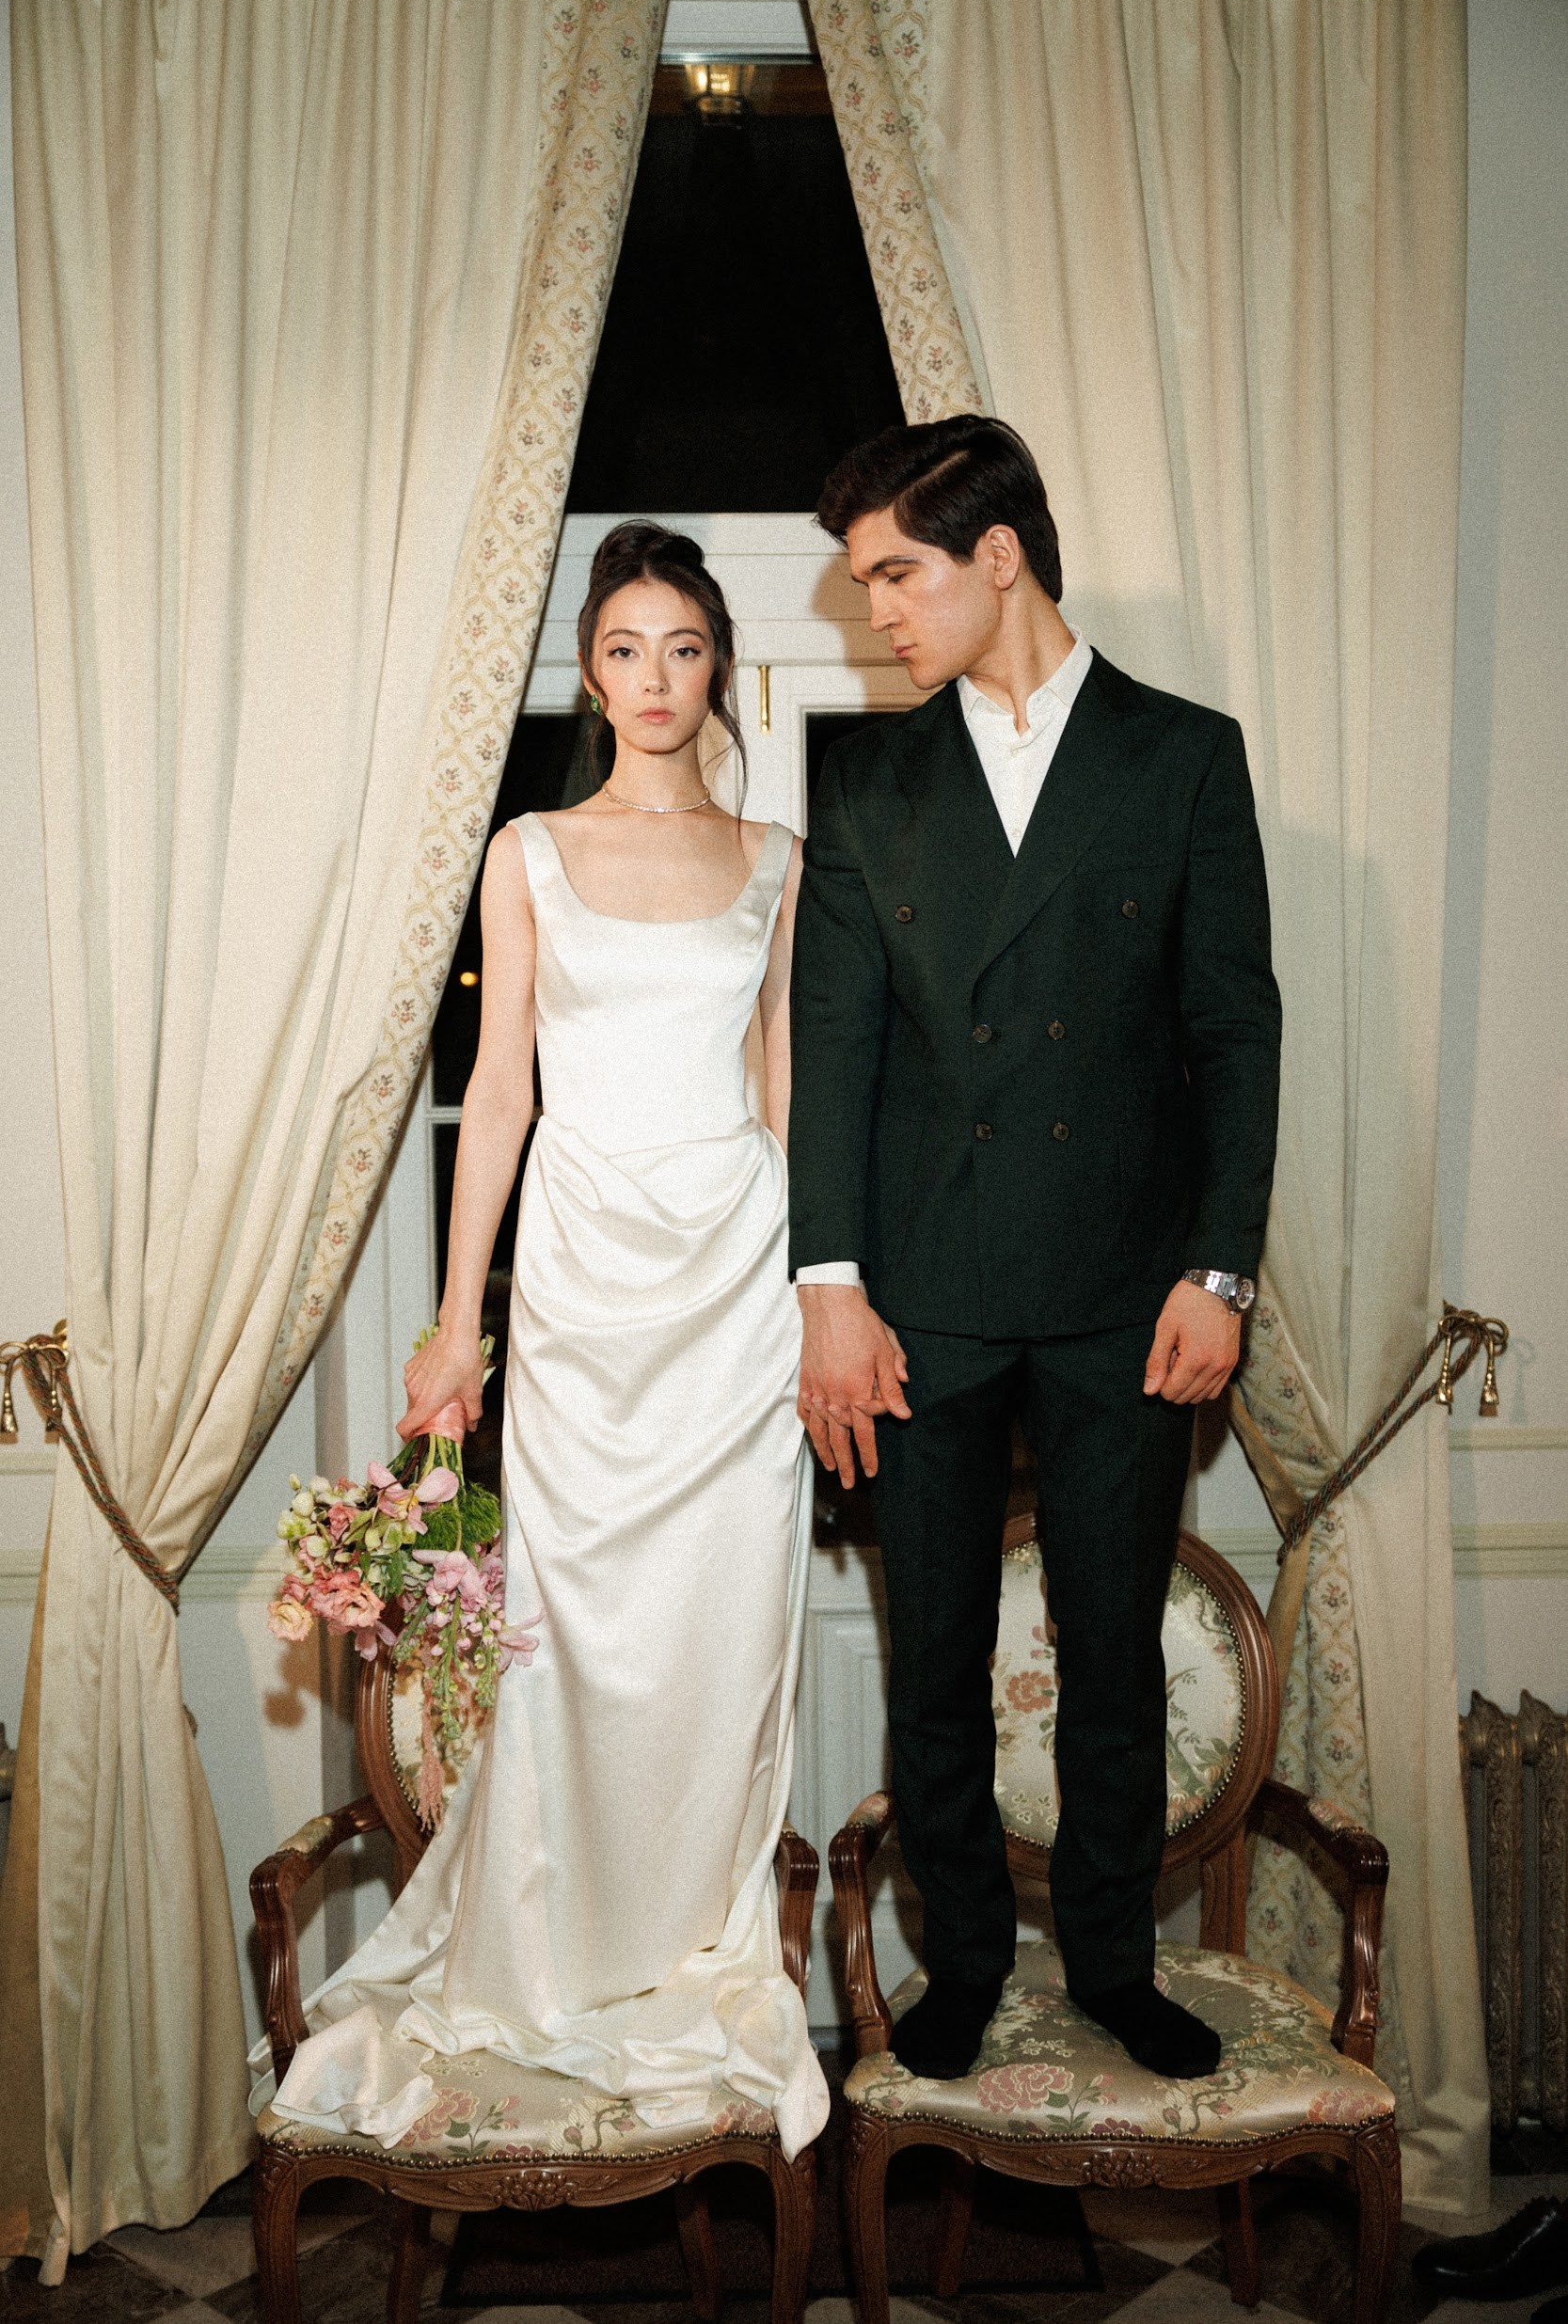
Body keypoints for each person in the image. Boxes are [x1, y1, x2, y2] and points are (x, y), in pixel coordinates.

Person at [261, 521, 827, 2160]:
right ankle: (556, 1947)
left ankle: (693, 1947)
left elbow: (784, 1089)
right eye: (627, 649)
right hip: (583, 1289)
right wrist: (460, 1325)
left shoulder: (780, 859)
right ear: (591, 671)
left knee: (722, 1631)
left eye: (686, 649)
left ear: (718, 671)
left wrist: (816, 1296)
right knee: (574, 1634)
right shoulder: (528, 852)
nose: (657, 679)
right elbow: (498, 1088)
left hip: (736, 1285)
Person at [789, 416, 1281, 2084]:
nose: (876, 614)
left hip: (1126, 1296)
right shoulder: (869, 782)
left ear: (997, 556)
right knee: (932, 1657)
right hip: (919, 1301)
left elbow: (1236, 1031)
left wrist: (1219, 1271)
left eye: (895, 574)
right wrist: (831, 1291)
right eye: (863, 584)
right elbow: (836, 1052)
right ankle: (964, 1967)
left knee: (1113, 1657)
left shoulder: (1182, 756)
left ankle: (1117, 1968)